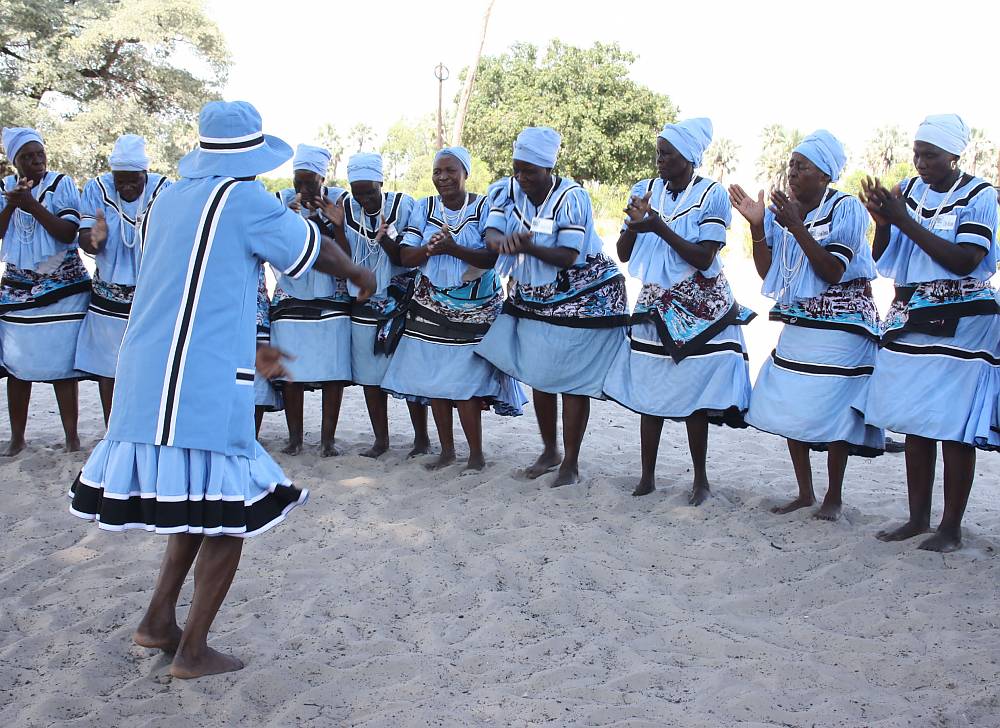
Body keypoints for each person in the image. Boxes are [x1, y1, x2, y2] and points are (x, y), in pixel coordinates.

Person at [69, 100, 376, 679]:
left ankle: (158, 621)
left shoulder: (167, 198)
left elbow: (199, 287)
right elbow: (315, 249)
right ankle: (193, 651)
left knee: (198, 505)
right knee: (229, 515)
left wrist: (251, 342)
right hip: (204, 382)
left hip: (147, 376)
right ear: (253, 158)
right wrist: (361, 274)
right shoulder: (248, 199)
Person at [860, 114, 1000, 552]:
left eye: (931, 155)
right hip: (912, 314)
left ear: (955, 155)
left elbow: (964, 261)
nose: (920, 162)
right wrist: (883, 222)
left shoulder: (980, 196)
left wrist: (902, 220)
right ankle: (917, 518)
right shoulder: (908, 192)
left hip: (966, 321)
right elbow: (880, 260)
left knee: (954, 425)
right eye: (917, 153)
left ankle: (951, 528)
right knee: (916, 421)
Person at [730, 130, 884, 521]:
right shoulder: (788, 212)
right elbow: (769, 273)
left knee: (835, 409)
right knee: (789, 398)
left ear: (825, 175)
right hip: (800, 320)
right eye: (791, 166)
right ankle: (804, 492)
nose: (793, 173)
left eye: (802, 167)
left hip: (845, 326)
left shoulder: (846, 208)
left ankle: (833, 496)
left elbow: (833, 270)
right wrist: (759, 226)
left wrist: (797, 226)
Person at [603, 118, 753, 503]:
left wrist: (658, 226)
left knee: (693, 393)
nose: (659, 160)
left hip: (700, 306)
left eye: (667, 154)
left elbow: (704, 257)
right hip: (655, 302)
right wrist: (637, 226)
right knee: (650, 388)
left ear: (689, 158)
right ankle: (647, 476)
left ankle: (700, 479)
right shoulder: (645, 190)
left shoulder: (711, 195)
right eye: (658, 152)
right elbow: (623, 253)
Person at [475, 127, 628, 487]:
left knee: (572, 380)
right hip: (533, 294)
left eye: (531, 171)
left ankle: (570, 462)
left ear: (548, 169)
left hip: (582, 295)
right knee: (540, 373)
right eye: (518, 169)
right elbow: (491, 233)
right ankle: (549, 450)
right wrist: (504, 242)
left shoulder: (572, 197)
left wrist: (526, 247)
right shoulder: (506, 190)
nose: (523, 177)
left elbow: (568, 255)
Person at [382, 147, 526, 471]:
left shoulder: (485, 206)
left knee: (466, 384)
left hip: (476, 309)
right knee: (436, 381)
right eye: (437, 171)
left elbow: (492, 257)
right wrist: (429, 250)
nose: (443, 177)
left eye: (450, 171)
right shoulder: (424, 207)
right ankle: (447, 451)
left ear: (465, 174)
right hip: (430, 305)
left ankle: (475, 455)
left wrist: (454, 248)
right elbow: (405, 258)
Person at [333, 152, 430, 458]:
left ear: (381, 183)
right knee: (369, 377)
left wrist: (388, 235)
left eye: (369, 191)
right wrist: (337, 227)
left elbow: (406, 253)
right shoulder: (346, 208)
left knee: (410, 373)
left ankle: (421, 439)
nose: (364, 198)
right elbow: (345, 256)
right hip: (363, 303)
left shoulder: (403, 205)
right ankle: (381, 440)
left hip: (401, 302)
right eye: (358, 192)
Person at [0, 126, 89, 455]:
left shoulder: (60, 183)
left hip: (62, 289)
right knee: (17, 366)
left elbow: (67, 232)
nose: (36, 161)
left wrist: (31, 204)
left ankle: (71, 437)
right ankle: (17, 438)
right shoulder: (4, 187)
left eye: (40, 154)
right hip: (18, 291)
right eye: (27, 157)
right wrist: (13, 204)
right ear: (15, 162)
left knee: (61, 366)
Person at [75, 134, 171, 424]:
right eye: (121, 181)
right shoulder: (97, 189)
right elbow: (86, 242)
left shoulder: (165, 189)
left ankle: (148, 426)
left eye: (134, 180)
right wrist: (97, 239)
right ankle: (113, 427)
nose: (127, 187)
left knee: (151, 365)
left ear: (145, 174)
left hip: (152, 294)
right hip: (109, 294)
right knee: (110, 366)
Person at [268, 144, 351, 456]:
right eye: (297, 182)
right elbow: (274, 251)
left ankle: (328, 440)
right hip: (292, 292)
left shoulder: (341, 199)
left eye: (309, 182)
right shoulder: (279, 202)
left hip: (332, 293)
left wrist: (337, 224)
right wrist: (286, 223)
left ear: (322, 177)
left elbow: (349, 253)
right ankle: (295, 438)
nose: (302, 189)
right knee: (291, 371)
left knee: (333, 369)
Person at [254, 265, 282, 437]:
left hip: (258, 314)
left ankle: (252, 436)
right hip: (255, 315)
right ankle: (251, 436)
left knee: (258, 379)